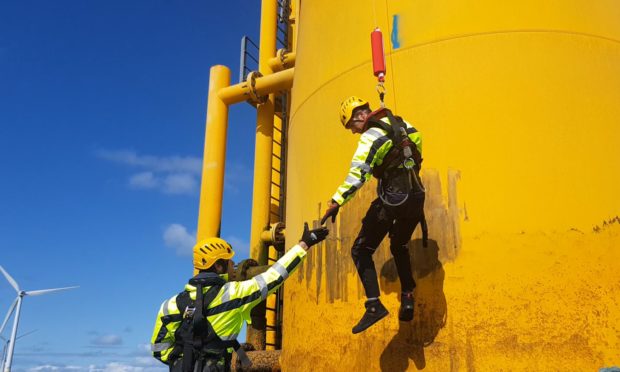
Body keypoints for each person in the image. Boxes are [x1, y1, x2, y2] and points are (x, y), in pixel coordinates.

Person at [151, 223, 329, 371]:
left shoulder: (170, 304)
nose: (233, 266)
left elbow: (158, 349)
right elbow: (274, 277)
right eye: (229, 262)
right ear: (219, 266)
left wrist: (184, 361)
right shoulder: (232, 295)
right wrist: (304, 244)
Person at [321, 96, 426, 334]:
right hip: (417, 198)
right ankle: (407, 295)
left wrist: (336, 201)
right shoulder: (404, 124)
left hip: (394, 200)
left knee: (360, 250)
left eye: (351, 127)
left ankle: (373, 306)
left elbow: (358, 174)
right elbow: (416, 152)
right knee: (399, 245)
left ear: (358, 117)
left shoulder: (370, 136)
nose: (354, 132)